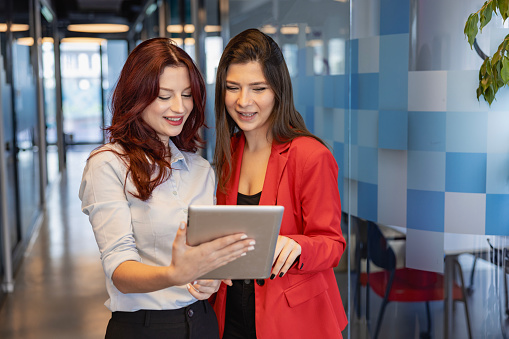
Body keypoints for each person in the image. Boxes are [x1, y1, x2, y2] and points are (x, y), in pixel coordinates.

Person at [78, 37, 255, 339]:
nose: (180, 107)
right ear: (137, 96)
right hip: (143, 327)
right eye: (164, 96)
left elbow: (203, 256)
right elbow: (120, 270)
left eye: (187, 95)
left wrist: (208, 278)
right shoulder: (108, 165)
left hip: (203, 323)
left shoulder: (200, 169)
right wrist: (174, 274)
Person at [212, 28, 348, 338]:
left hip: (293, 320)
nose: (244, 101)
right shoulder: (227, 153)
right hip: (230, 315)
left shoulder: (310, 155)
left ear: (278, 90)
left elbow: (333, 244)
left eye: (258, 88)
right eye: (233, 87)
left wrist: (299, 245)